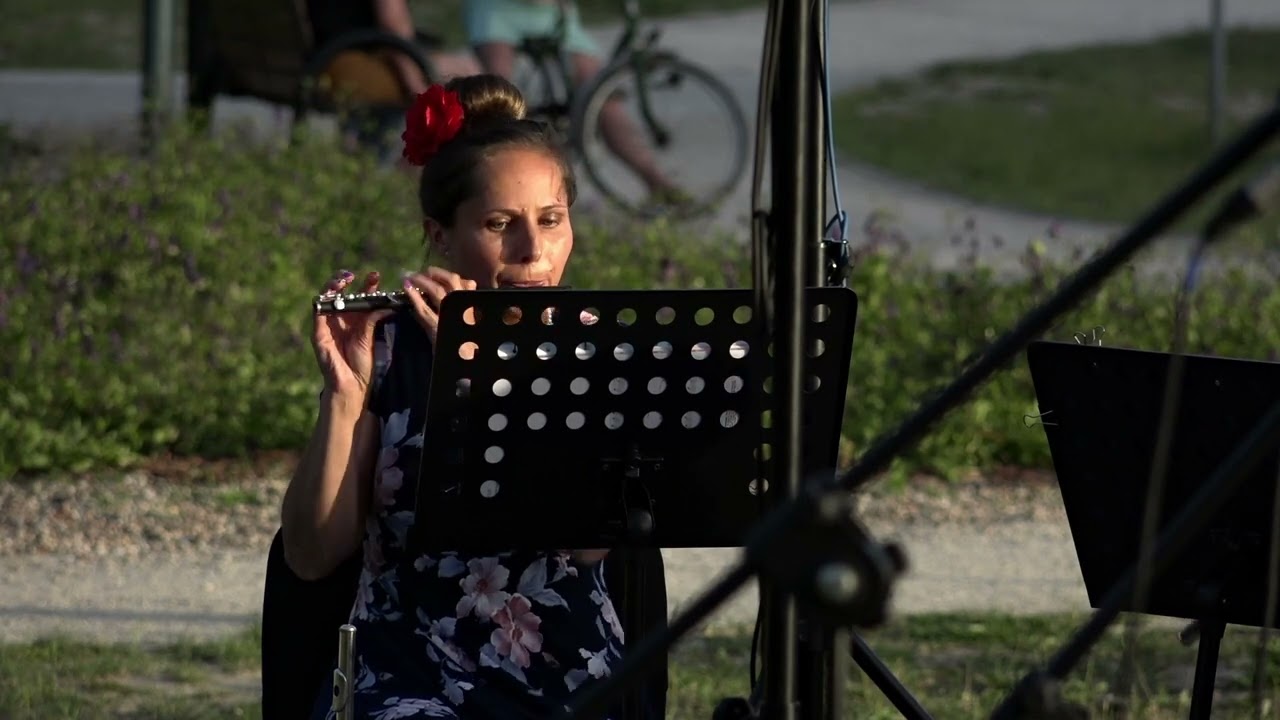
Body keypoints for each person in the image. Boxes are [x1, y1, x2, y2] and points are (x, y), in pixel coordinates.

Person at [285, 73, 658, 719]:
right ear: (439, 236)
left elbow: (586, 542)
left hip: (566, 675)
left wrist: (480, 377)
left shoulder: (593, 348)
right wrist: (344, 397)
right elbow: (312, 557)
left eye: (551, 220)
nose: (533, 251)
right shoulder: (392, 350)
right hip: (405, 671)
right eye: (499, 224)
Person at [462, 0, 690, 209]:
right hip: (497, 9)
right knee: (501, 94)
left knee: (601, 95)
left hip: (552, 11)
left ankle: (657, 181)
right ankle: (496, 183)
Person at [306, 0, 482, 158]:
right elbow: (393, 24)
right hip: (343, 65)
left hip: (318, 59)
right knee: (467, 71)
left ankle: (370, 161)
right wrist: (417, 85)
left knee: (436, 64)